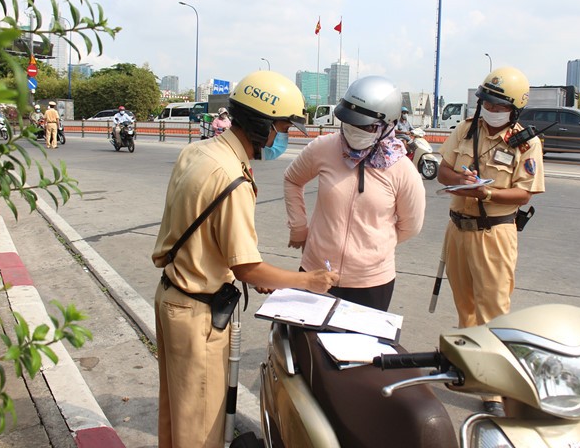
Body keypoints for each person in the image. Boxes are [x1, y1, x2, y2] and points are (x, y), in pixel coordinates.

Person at [151, 70, 338, 448]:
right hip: (197, 315)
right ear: (261, 125)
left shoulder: (200, 151)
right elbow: (246, 267)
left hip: (172, 296)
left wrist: (255, 276)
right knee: (200, 428)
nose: (281, 137)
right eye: (282, 127)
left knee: (177, 417)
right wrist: (309, 281)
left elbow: (208, 237)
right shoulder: (232, 178)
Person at [437, 66, 545, 416]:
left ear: (514, 109)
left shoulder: (526, 143)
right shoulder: (467, 129)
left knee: (493, 312)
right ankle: (470, 369)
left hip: (494, 232)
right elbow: (443, 171)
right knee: (465, 306)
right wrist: (460, 177)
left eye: (499, 104)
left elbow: (523, 194)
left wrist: (488, 192)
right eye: (487, 102)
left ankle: (495, 389)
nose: (491, 109)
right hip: (458, 230)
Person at [284, 75, 426, 312]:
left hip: (371, 283)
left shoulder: (401, 169)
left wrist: (371, 249)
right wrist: (299, 228)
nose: (353, 131)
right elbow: (292, 179)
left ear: (387, 125)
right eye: (349, 123)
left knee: (359, 348)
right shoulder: (324, 148)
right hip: (316, 272)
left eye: (365, 126)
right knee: (307, 346)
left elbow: (411, 225)